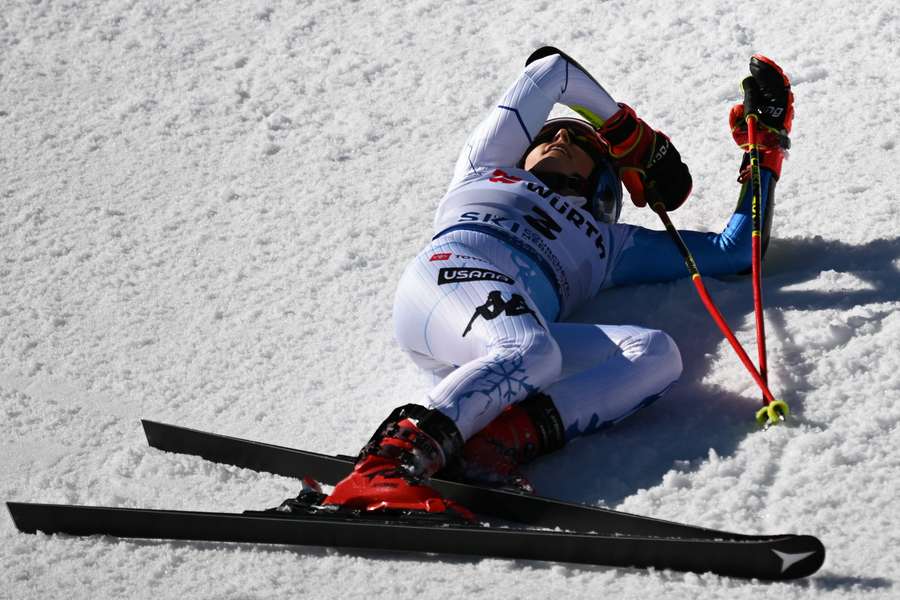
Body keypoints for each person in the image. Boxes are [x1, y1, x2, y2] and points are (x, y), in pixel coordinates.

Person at [322, 47, 794, 519]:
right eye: (550, 133)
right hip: (445, 284)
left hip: (497, 346)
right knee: (533, 348)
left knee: (655, 354)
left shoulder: (612, 245)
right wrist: (624, 130)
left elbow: (735, 253)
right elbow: (550, 71)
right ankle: (386, 465)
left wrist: (764, 149)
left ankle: (487, 446)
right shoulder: (485, 166)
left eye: (584, 146)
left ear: (604, 186)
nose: (564, 133)